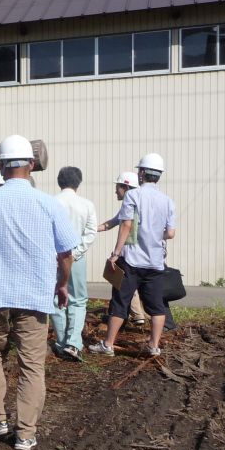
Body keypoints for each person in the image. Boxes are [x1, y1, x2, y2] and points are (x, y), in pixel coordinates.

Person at [0, 135, 77, 450]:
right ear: (31, 164)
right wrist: (62, 283)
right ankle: (25, 433)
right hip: (34, 296)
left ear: (0, 165)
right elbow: (67, 253)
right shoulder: (48, 203)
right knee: (31, 365)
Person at [90, 153, 176, 358]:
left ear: (143, 173)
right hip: (155, 262)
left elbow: (126, 225)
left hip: (132, 260)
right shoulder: (168, 201)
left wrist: (115, 253)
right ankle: (154, 346)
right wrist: (154, 235)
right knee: (156, 307)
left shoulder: (133, 196)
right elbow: (170, 233)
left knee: (120, 302)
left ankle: (108, 345)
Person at [49, 166, 97, 362]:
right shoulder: (86, 204)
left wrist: (53, 254)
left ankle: (61, 343)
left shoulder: (50, 202)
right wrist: (75, 253)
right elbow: (91, 232)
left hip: (52, 259)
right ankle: (73, 343)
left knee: (55, 299)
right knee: (77, 300)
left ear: (59, 182)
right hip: (76, 258)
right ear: (79, 183)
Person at [99, 172, 150, 326]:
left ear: (125, 187)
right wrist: (91, 228)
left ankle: (133, 314)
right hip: (145, 253)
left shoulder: (132, 204)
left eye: (118, 187)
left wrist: (116, 253)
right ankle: (136, 314)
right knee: (126, 284)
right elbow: (112, 222)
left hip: (131, 253)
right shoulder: (141, 202)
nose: (116, 191)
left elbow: (125, 226)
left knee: (123, 283)